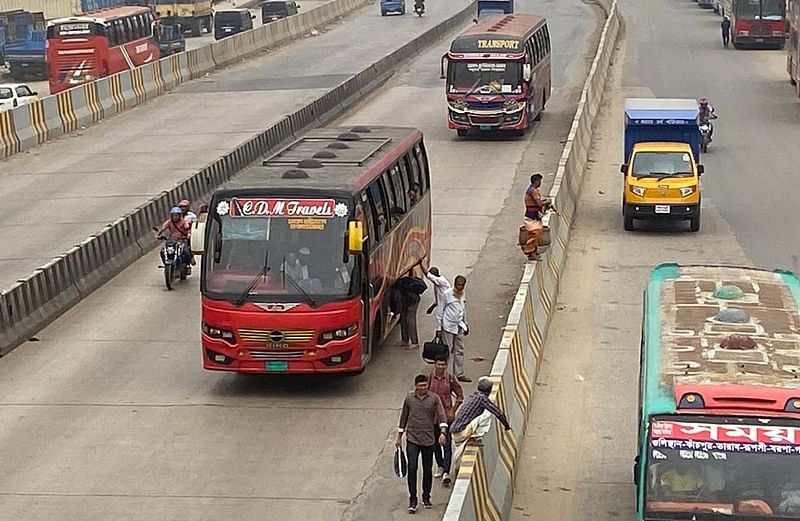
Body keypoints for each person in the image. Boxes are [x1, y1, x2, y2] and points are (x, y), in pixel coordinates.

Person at [396, 374, 448, 514]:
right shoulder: (409, 400)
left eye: (425, 385)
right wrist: (399, 437)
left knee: (427, 469)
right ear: (416, 386)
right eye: (421, 386)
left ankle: (426, 497)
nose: (423, 388)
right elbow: (403, 418)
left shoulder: (434, 399)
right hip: (412, 438)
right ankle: (413, 500)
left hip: (428, 439)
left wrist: (443, 432)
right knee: (412, 468)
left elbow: (441, 415)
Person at [450, 377, 511, 473]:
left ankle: (457, 468)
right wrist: (507, 426)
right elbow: (497, 412)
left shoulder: (473, 396)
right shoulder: (482, 399)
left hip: (455, 432)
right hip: (462, 432)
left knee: (459, 454)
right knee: (487, 414)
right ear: (490, 390)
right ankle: (475, 436)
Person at [428, 355, 464, 485]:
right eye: (439, 364)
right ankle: (440, 465)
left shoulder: (450, 379)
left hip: (447, 417)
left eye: (443, 365)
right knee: (434, 444)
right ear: (435, 365)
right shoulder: (429, 379)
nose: (441, 367)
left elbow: (460, 396)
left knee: (447, 445)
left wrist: (453, 410)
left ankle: (446, 472)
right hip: (432, 418)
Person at [439, 275, 470, 383]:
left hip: (459, 326)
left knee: (459, 350)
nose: (460, 287)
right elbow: (440, 310)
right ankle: (445, 375)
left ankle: (459, 374)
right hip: (448, 326)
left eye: (462, 285)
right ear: (454, 283)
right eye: (458, 285)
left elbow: (463, 310)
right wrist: (439, 328)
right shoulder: (447, 294)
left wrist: (466, 324)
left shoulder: (462, 295)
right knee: (447, 351)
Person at [519, 173, 551, 261]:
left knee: (534, 233)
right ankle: (530, 251)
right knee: (535, 233)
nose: (540, 183)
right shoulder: (534, 191)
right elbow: (539, 203)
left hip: (532, 215)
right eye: (540, 181)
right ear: (536, 181)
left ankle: (533, 252)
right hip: (532, 216)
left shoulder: (530, 190)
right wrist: (547, 202)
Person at [393, 275, 426, 350]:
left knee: (410, 320)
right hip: (407, 300)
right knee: (403, 319)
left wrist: (395, 313)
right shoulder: (400, 286)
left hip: (412, 301)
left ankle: (415, 343)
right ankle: (405, 340)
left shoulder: (397, 289)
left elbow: (397, 303)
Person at [425, 267, 452, 331]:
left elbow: (428, 275)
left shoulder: (441, 281)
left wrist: (420, 263)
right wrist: (432, 307)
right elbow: (438, 299)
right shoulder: (438, 283)